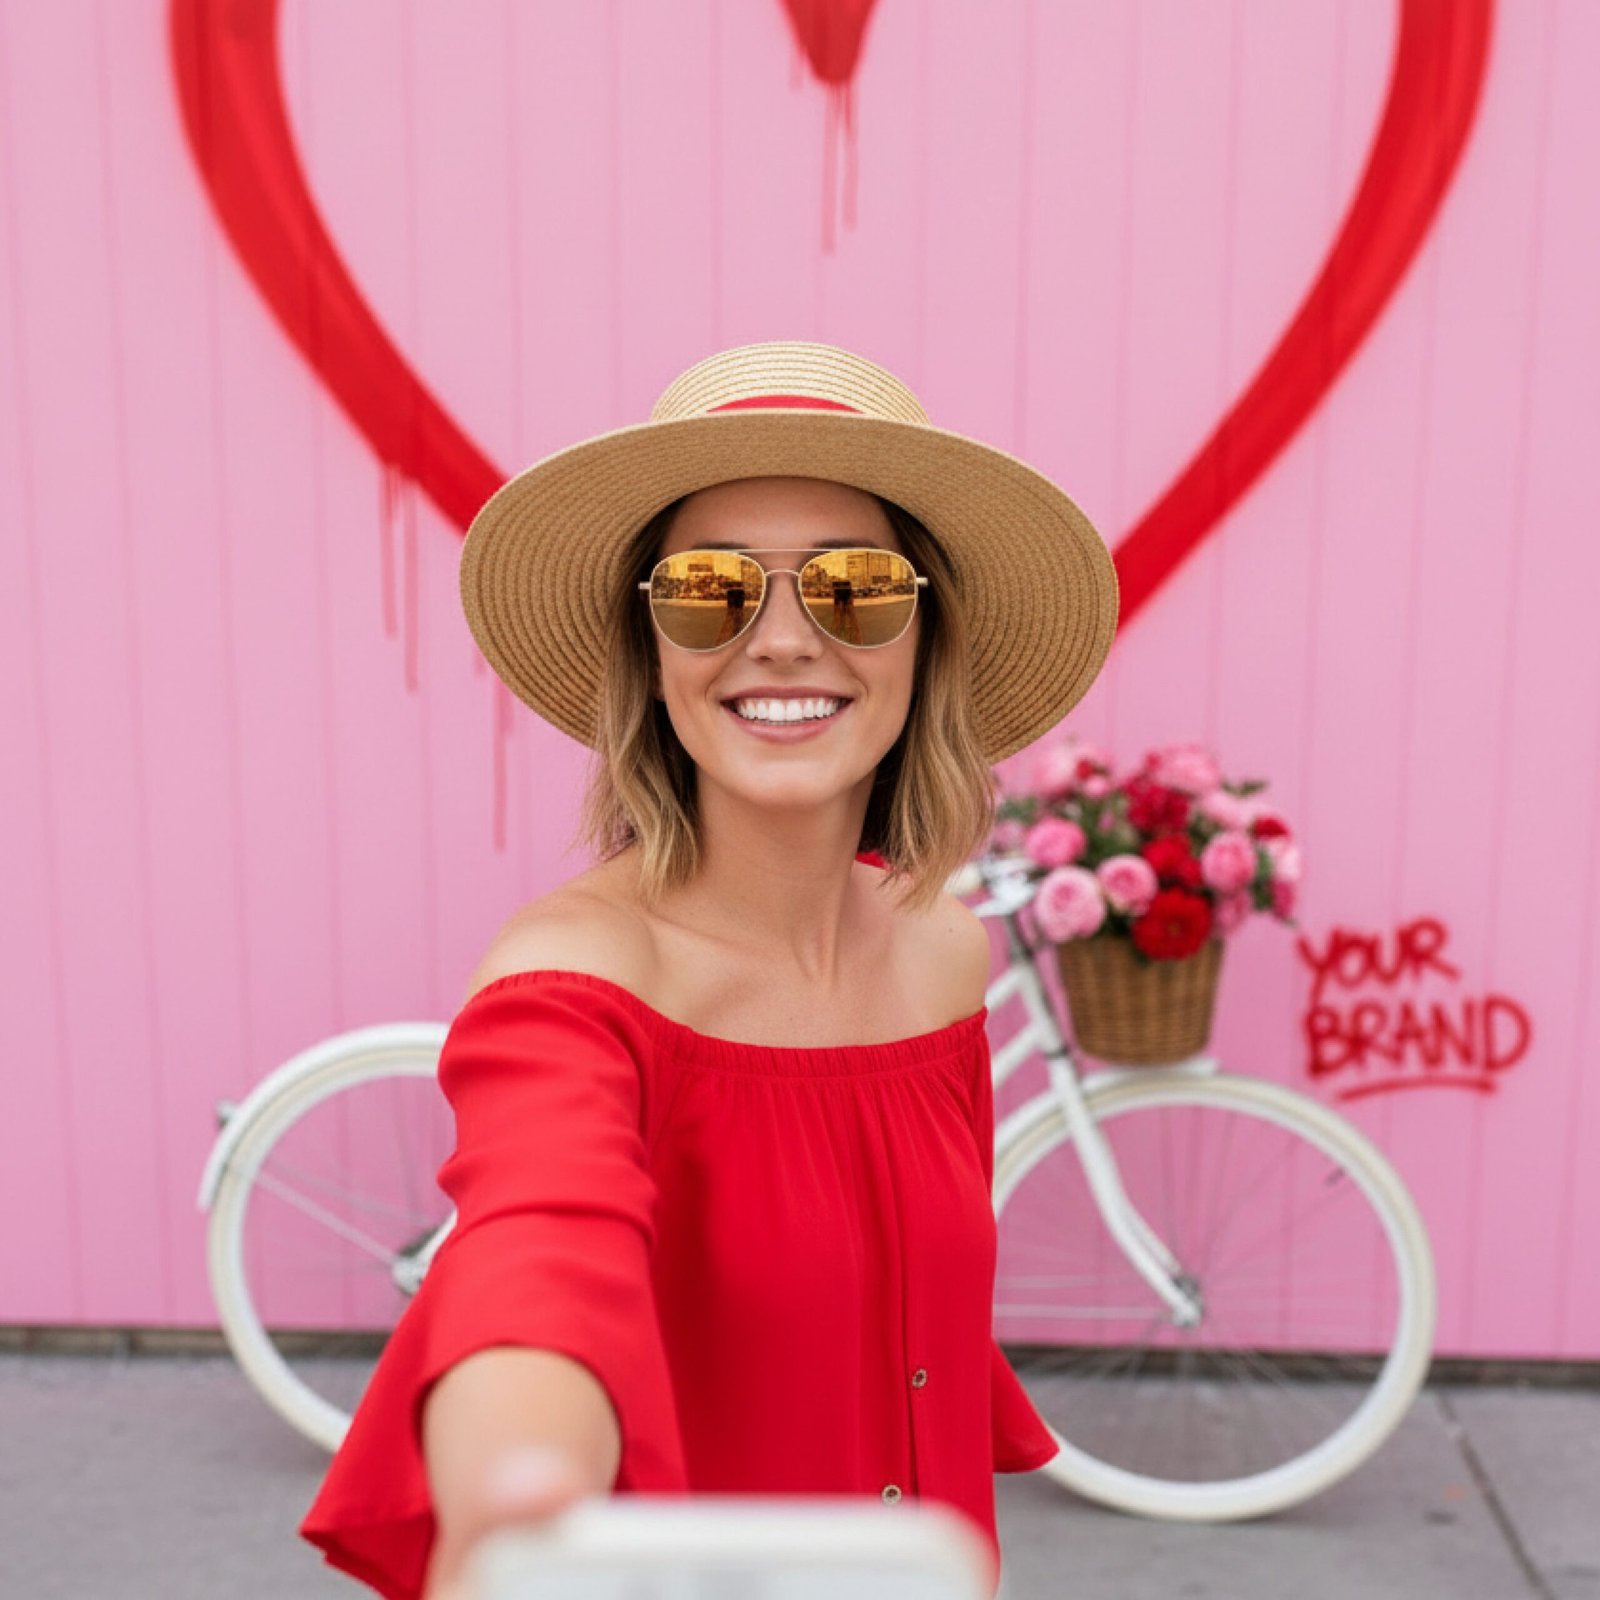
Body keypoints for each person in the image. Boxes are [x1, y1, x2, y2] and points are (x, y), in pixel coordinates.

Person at [298, 340, 1119, 1600]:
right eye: (708, 588)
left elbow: (916, 1354)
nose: (782, 640)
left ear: (925, 636)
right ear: (651, 650)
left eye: (852, 585)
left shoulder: (940, 948)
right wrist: (522, 1488)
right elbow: (533, 1256)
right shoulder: (573, 981)